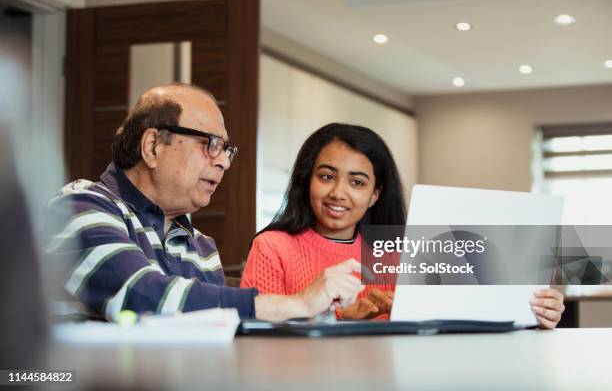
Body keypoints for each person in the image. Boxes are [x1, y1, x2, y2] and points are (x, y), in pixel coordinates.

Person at [44, 84, 363, 323]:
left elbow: (210, 328)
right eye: (211, 144)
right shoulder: (78, 207)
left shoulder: (200, 245)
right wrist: (296, 304)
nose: (224, 161)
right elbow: (140, 295)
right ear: (153, 145)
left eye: (227, 150)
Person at [241, 123, 565, 328]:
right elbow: (255, 331)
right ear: (306, 180)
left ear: (374, 195)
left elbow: (463, 314)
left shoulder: (401, 250)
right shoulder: (273, 246)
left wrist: (533, 311)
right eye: (326, 176)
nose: (338, 192)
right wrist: (339, 318)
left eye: (357, 182)